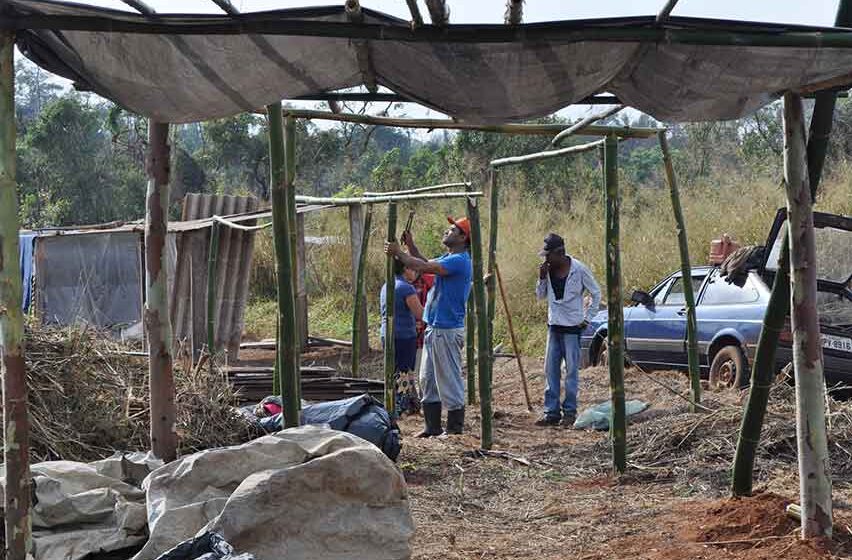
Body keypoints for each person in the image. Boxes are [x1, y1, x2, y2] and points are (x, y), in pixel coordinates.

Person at [385, 216, 472, 437]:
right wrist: (411, 246)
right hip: (435, 327)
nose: (447, 231)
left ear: (463, 237)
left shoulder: (460, 260)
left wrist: (399, 253)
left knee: (449, 379)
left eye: (452, 230)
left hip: (446, 329)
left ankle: (454, 429)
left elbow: (422, 266)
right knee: (428, 380)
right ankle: (432, 426)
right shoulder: (449, 257)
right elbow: (426, 263)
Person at [535, 233, 601, 427]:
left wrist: (587, 319)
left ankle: (570, 413)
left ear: (560, 253)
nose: (546, 260)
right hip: (554, 326)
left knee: (571, 372)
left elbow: (596, 293)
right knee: (551, 370)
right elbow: (540, 296)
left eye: (549, 255)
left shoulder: (579, 270)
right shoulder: (547, 271)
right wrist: (541, 279)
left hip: (573, 328)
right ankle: (551, 413)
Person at [380, 260, 423, 415]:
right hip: (404, 336)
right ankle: (402, 405)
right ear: (406, 269)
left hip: (388, 334)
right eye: (414, 269)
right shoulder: (406, 288)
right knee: (404, 371)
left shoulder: (387, 286)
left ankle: (398, 403)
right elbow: (420, 313)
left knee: (394, 369)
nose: (416, 273)